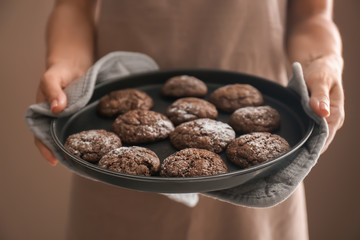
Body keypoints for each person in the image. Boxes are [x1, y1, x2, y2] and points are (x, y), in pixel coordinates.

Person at [34, 0, 345, 239]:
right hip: (119, 185)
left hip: (257, 174)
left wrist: (324, 61)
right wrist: (65, 66)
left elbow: (312, 15)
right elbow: (72, 6)